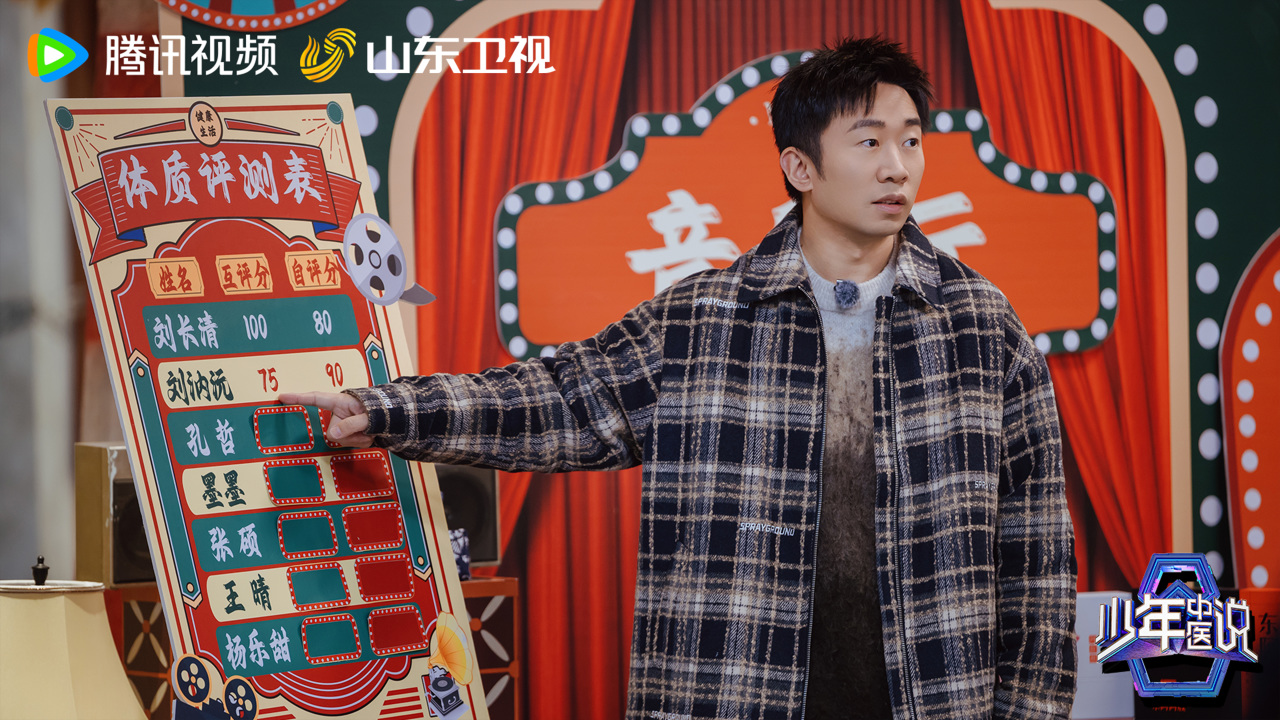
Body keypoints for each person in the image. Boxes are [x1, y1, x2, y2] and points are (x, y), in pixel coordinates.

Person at [281, 36, 1076, 720]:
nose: (897, 167)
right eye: (869, 143)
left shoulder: (982, 327)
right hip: (727, 693)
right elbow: (560, 400)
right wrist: (384, 410)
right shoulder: (702, 320)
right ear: (800, 166)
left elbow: (1038, 559)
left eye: (911, 141)